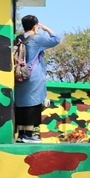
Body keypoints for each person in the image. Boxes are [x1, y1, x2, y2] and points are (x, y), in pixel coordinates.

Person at [14, 15, 61, 143]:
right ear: (35, 26)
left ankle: (21, 135)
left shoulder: (18, 39)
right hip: (32, 75)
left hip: (18, 74)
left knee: (20, 103)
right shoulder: (36, 38)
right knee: (32, 103)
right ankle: (28, 135)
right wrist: (45, 28)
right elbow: (56, 39)